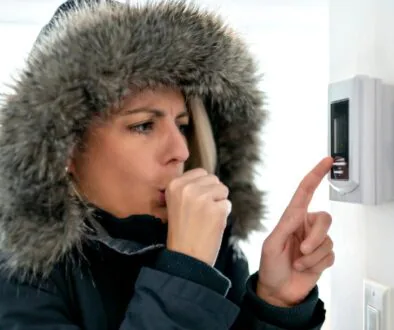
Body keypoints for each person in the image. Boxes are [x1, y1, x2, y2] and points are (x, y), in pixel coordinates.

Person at [0, 0, 335, 329]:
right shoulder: (17, 274)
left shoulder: (216, 252)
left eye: (183, 125)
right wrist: (185, 272)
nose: (181, 151)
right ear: (66, 149)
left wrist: (275, 304)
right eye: (143, 125)